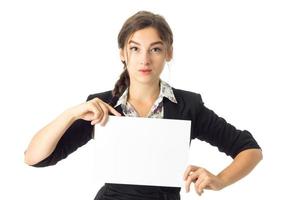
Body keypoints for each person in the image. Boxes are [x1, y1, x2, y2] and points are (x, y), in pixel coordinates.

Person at [24, 10, 262, 200]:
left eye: (155, 49)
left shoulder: (188, 106)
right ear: (122, 54)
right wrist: (72, 113)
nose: (145, 59)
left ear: (168, 53)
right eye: (135, 48)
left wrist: (220, 181)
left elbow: (250, 149)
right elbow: (34, 158)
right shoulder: (102, 106)